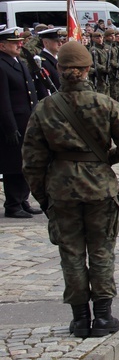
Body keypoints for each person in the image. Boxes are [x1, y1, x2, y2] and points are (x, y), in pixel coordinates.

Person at [21, 41, 119, 338]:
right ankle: (103, 318)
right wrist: (106, 159)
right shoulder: (105, 104)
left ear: (60, 70)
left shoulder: (44, 108)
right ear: (88, 69)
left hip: (61, 191)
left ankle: (79, 320)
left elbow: (32, 160)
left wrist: (43, 196)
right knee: (101, 251)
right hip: (100, 189)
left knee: (71, 253)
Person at [1, 27, 42, 218]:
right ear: (2, 46)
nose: (19, 45)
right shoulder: (2, 65)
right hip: (13, 124)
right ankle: (13, 204)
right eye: (13, 43)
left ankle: (23, 199)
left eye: (18, 42)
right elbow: (3, 100)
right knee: (14, 164)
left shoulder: (18, 61)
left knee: (26, 162)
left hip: (26, 121)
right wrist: (10, 126)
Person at [35, 27, 65, 97]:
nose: (60, 44)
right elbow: (43, 89)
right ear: (46, 43)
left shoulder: (59, 59)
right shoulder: (41, 61)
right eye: (57, 41)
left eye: (61, 41)